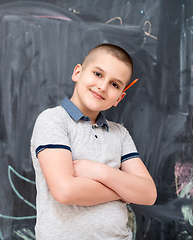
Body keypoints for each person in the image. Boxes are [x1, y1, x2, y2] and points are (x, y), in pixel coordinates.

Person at [30, 43, 157, 240]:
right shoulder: (53, 120)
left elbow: (148, 194)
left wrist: (98, 171)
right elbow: (66, 191)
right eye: (98, 74)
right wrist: (124, 192)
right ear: (77, 73)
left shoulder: (120, 134)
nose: (103, 86)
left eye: (115, 84)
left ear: (119, 97)